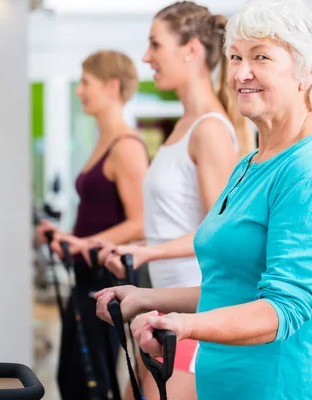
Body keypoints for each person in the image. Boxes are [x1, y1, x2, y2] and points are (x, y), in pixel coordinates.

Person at [95, 0, 312, 399]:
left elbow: (280, 311)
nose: (240, 72)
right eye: (235, 56)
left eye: (261, 57)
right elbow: (233, 288)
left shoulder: (311, 174)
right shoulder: (251, 164)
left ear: (308, 72)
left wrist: (185, 327)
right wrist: (146, 298)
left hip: (283, 388)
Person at [91, 2, 254, 399]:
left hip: (197, 308)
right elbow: (178, 221)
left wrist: (147, 255)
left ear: (191, 49)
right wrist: (138, 247)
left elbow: (219, 234)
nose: (146, 57)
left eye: (155, 45)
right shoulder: (184, 126)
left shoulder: (210, 130)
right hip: (163, 305)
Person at [35, 49, 149, 400]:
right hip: (86, 277)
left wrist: (86, 244)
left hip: (107, 281)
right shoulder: (102, 141)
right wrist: (68, 238)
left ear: (112, 86)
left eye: (86, 83)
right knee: (70, 377)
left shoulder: (126, 146)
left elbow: (141, 223)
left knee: (90, 381)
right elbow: (99, 215)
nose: (79, 91)